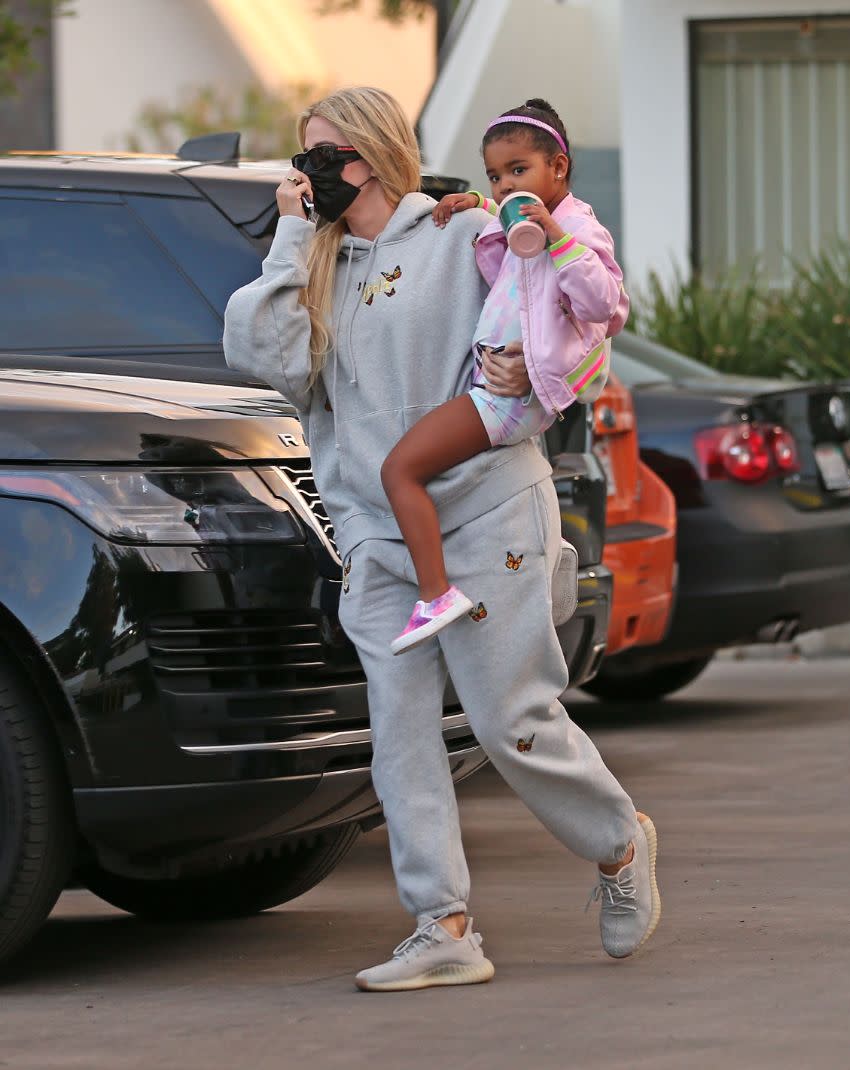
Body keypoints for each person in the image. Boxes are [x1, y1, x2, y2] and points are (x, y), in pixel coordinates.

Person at [223, 86, 660, 993]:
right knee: (401, 736)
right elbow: (262, 361)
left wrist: (529, 371)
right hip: (382, 541)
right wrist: (294, 236)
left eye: (326, 156)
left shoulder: (466, 235)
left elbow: (575, 313)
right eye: (302, 159)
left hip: (490, 512)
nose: (311, 175)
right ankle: (443, 924)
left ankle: (617, 843)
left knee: (511, 721)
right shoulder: (319, 267)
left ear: (376, 154)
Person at [382, 98, 628, 656]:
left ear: (558, 167)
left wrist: (558, 238)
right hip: (492, 387)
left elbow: (605, 307)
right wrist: (477, 206)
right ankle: (456, 583)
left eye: (519, 171)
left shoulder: (576, 228)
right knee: (421, 472)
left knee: (400, 469)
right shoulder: (523, 220)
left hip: (507, 398)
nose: (504, 185)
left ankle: (435, 595)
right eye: (495, 176)